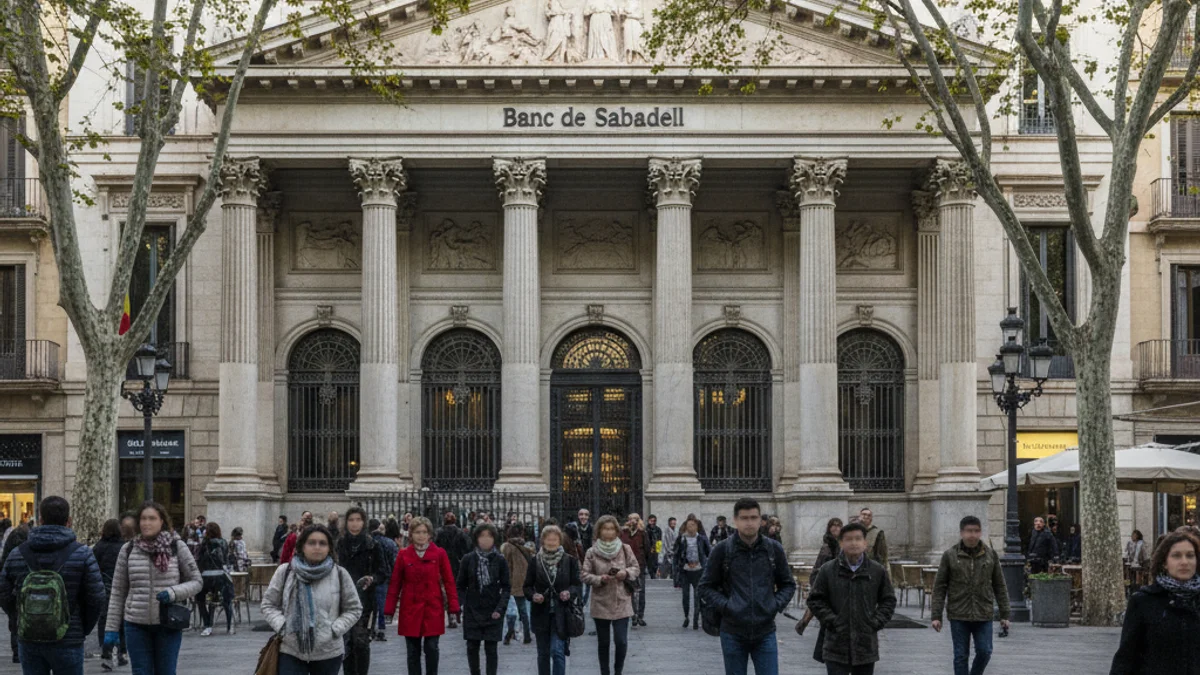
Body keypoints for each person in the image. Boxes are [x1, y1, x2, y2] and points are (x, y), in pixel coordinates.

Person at [0, 496, 106, 675]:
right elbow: (96, 597)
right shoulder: (83, 554)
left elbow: (2, 591)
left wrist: (19, 616)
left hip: (29, 637)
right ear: (69, 521)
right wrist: (80, 627)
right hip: (69, 639)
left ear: (40, 519)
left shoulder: (18, 553)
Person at [698, 498, 796, 675]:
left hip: (765, 630)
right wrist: (727, 606)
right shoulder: (722, 550)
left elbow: (788, 584)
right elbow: (705, 587)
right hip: (732, 631)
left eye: (753, 517)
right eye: (744, 518)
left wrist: (774, 604)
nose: (749, 523)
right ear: (735, 520)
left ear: (760, 520)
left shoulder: (774, 549)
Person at [102, 501, 201, 675]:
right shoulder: (128, 549)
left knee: (166, 671)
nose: (147, 523)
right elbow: (118, 592)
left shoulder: (177, 546)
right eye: (143, 519)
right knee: (141, 672)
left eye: (152, 518)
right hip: (135, 624)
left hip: (168, 624)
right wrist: (111, 628)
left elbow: (196, 581)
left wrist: (173, 593)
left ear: (162, 521)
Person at [262, 524, 362, 675]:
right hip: (291, 649)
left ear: (329, 548)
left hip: (328, 651)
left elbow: (354, 608)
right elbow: (269, 605)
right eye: (311, 542)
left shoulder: (340, 574)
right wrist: (283, 626)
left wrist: (335, 629)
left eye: (322, 543)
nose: (317, 547)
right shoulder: (285, 571)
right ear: (302, 546)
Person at [808, 522, 897, 675]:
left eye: (858, 539)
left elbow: (888, 600)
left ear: (865, 543)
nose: (854, 543)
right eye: (849, 539)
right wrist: (832, 621)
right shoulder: (828, 570)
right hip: (836, 645)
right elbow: (815, 599)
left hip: (865, 646)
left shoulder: (877, 570)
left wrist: (875, 622)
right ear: (841, 543)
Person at [1109, 530, 1200, 675]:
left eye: (1190, 556)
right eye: (1176, 556)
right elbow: (1126, 658)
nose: (1184, 562)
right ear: (1164, 562)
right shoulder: (1143, 601)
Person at [929, 516, 1010, 675]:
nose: (972, 535)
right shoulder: (950, 555)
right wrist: (936, 615)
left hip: (983, 612)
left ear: (980, 532)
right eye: (969, 531)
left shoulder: (990, 555)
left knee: (985, 651)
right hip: (959, 613)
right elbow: (940, 586)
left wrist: (1005, 614)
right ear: (962, 533)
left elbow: (999, 585)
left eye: (976, 531)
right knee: (960, 655)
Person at [386, 516, 460, 675]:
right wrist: (389, 610)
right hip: (410, 608)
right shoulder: (403, 555)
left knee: (432, 648)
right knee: (413, 652)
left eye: (424, 532)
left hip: (432, 607)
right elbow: (395, 583)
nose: (421, 535)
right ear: (411, 534)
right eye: (417, 532)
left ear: (429, 534)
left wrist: (453, 606)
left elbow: (449, 581)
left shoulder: (439, 554)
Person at [581, 515, 637, 675]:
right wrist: (599, 579)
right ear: (599, 531)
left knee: (621, 641)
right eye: (605, 528)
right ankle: (604, 672)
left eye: (612, 528)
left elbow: (636, 568)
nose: (609, 532)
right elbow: (584, 574)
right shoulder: (592, 552)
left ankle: (618, 671)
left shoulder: (625, 549)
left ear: (617, 531)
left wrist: (625, 573)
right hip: (601, 602)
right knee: (603, 642)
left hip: (622, 601)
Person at [525, 525, 581, 675]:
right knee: (543, 654)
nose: (551, 542)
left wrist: (569, 593)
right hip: (540, 613)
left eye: (555, 539)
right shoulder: (535, 561)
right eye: (549, 540)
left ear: (560, 541)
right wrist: (533, 595)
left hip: (561, 613)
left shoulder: (569, 561)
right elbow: (527, 587)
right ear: (543, 541)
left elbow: (576, 585)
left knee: (557, 651)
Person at [337, 507, 386, 675]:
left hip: (364, 599)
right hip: (342, 598)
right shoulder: (339, 544)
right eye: (351, 520)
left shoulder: (373, 545)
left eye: (358, 520)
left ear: (363, 522)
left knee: (361, 641)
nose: (354, 524)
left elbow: (383, 572)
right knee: (346, 641)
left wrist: (372, 578)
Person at [457, 523, 510, 675]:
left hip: (493, 610)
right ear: (476, 538)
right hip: (473, 610)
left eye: (489, 536)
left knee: (491, 649)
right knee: (472, 647)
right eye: (482, 536)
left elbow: (506, 587)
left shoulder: (500, 560)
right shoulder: (468, 559)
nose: (485, 540)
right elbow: (460, 585)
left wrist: (500, 609)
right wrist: (461, 604)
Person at [796, 517, 842, 637]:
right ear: (829, 528)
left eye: (838, 525)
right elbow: (822, 563)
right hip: (827, 578)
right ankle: (805, 622)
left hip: (835, 578)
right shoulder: (828, 544)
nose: (836, 527)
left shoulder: (839, 542)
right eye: (833, 525)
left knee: (819, 602)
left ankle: (804, 622)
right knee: (819, 601)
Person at [92, 519, 128, 671]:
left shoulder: (99, 547)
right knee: (121, 621)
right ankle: (121, 653)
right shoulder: (124, 547)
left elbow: (93, 568)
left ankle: (105, 652)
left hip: (104, 588)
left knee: (105, 621)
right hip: (122, 589)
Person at [196, 522, 235, 636]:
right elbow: (226, 559)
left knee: (200, 600)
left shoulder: (204, 543)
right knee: (227, 601)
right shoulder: (223, 542)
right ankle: (229, 625)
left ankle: (207, 625)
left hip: (206, 577)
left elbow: (200, 559)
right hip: (220, 576)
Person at [673, 516, 711, 630]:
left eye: (694, 525)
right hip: (685, 571)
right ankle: (686, 617)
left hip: (699, 570)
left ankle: (695, 619)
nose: (692, 527)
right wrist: (676, 572)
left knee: (698, 596)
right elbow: (676, 555)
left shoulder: (702, 539)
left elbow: (709, 553)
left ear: (697, 526)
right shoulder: (681, 539)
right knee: (685, 596)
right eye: (689, 525)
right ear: (686, 526)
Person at [435, 512, 471, 629]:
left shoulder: (439, 533)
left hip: (442, 564)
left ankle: (450, 614)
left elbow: (434, 548)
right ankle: (456, 610)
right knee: (456, 589)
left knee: (445, 590)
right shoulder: (461, 533)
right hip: (457, 564)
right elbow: (467, 549)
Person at [1, 521, 29, 664]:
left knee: (15, 623)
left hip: (14, 596)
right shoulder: (31, 554)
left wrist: (8, 606)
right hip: (29, 597)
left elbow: (3, 583)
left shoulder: (10, 558)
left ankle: (17, 653)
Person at [618, 513, 653, 627]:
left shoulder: (642, 533)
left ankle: (640, 616)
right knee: (629, 591)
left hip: (640, 565)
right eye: (630, 519)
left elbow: (647, 549)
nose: (633, 521)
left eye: (635, 519)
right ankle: (632, 615)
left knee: (641, 591)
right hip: (626, 565)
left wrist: (648, 564)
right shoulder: (623, 533)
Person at [501, 524, 533, 645]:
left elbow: (506, 566)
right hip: (524, 582)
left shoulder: (508, 547)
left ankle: (509, 633)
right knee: (523, 610)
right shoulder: (525, 546)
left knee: (511, 610)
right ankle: (527, 635)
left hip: (511, 582)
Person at [372, 519, 401, 641]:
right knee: (381, 604)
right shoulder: (389, 543)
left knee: (369, 605)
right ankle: (381, 629)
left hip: (369, 576)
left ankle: (370, 628)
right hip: (384, 576)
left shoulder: (367, 542)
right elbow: (395, 561)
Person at [565, 509, 594, 603]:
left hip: (589, 557)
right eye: (581, 514)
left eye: (586, 515)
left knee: (588, 581)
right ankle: (580, 601)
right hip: (577, 558)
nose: (583, 517)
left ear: (589, 517)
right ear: (578, 516)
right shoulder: (574, 527)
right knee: (579, 581)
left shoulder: (592, 528)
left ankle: (584, 601)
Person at [645, 515, 663, 580]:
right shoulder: (646, 529)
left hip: (655, 548)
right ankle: (651, 574)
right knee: (649, 563)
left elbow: (659, 540)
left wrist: (658, 550)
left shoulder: (658, 529)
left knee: (655, 563)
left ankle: (654, 574)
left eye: (654, 521)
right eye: (651, 521)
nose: (652, 522)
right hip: (648, 549)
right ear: (648, 521)